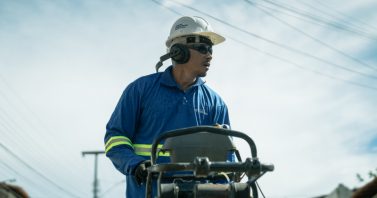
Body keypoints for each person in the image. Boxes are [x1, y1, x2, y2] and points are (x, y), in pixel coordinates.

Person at [104, 16, 230, 197]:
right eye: (203, 48)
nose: (209, 55)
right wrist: (134, 164)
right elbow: (115, 138)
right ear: (179, 51)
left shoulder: (215, 103)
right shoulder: (140, 90)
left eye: (211, 49)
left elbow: (225, 160)